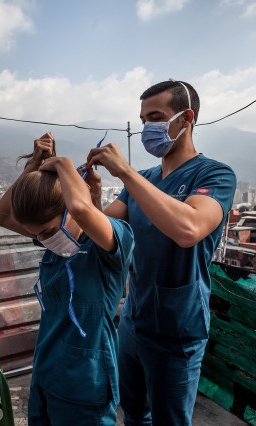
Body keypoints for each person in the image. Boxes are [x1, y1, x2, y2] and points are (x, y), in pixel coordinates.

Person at [86, 80, 236, 425]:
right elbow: (103, 228)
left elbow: (190, 229)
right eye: (142, 121)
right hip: (135, 320)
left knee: (170, 419)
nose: (146, 129)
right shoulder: (144, 178)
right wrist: (93, 196)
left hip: (178, 327)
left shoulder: (214, 173)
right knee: (134, 413)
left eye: (155, 117)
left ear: (186, 118)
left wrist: (123, 172)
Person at [0, 133, 135, 425]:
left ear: (70, 209)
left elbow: (83, 210)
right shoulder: (58, 246)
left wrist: (61, 163)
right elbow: (1, 215)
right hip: (45, 374)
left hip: (85, 385)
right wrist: (32, 166)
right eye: (36, 235)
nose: (42, 240)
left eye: (46, 231)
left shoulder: (108, 246)